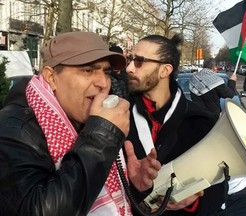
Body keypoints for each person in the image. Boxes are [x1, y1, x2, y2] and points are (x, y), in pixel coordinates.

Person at [0, 31, 161, 216]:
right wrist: (101, 140)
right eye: (88, 70)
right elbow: (37, 209)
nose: (103, 82)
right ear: (51, 77)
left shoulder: (86, 118)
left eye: (106, 72)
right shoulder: (13, 130)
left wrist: (132, 186)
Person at [125, 34, 228, 216]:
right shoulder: (118, 115)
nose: (129, 68)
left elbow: (218, 190)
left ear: (165, 70)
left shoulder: (200, 121)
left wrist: (192, 203)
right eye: (130, 59)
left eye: (139, 61)